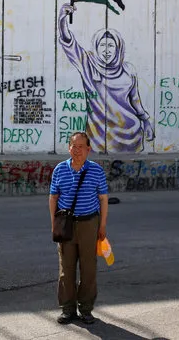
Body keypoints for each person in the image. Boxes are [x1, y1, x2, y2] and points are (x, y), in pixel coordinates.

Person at [58, 3, 154, 153]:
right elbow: (69, 44)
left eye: (111, 46)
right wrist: (62, 20)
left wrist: (146, 121)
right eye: (103, 45)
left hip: (131, 136)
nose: (107, 51)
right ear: (96, 47)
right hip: (99, 138)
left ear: (118, 49)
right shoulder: (88, 65)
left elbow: (135, 101)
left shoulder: (128, 70)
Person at [49, 131, 109, 325]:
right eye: (73, 146)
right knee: (66, 269)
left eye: (81, 147)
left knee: (88, 268)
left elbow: (103, 199)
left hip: (89, 224)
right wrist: (53, 223)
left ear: (88, 149)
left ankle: (86, 309)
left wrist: (102, 225)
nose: (77, 150)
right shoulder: (59, 169)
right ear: (69, 148)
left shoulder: (96, 171)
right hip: (66, 225)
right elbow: (53, 198)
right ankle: (68, 310)